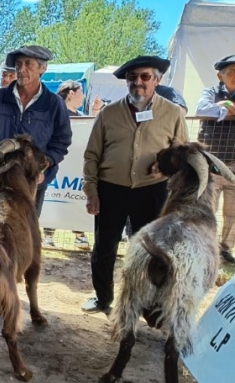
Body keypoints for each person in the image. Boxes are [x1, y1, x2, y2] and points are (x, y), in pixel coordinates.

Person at [80, 56, 188, 314]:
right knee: (104, 247)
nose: (137, 82)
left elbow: (181, 153)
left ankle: (147, 304)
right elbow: (92, 155)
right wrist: (91, 191)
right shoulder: (109, 113)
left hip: (152, 191)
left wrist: (165, 166)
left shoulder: (172, 113)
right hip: (110, 190)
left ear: (157, 80)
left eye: (145, 77)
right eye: (132, 77)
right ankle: (103, 298)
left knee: (150, 250)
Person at [0, 45, 72, 220]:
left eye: (28, 64)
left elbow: (61, 141)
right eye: (18, 64)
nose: (21, 69)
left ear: (42, 68)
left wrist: (44, 164)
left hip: (32, 183)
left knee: (22, 237)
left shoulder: (54, 103)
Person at [47, 80, 102, 251]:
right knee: (53, 199)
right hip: (56, 164)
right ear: (71, 93)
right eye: (81, 92)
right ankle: (47, 235)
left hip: (76, 166)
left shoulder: (80, 115)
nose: (83, 96)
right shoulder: (54, 112)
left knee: (74, 196)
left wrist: (94, 112)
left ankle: (79, 234)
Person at [197, 54, 235, 263]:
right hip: (211, 164)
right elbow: (201, 109)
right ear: (219, 75)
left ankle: (225, 249)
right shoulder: (209, 92)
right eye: (231, 72)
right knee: (207, 209)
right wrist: (227, 104)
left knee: (233, 212)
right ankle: (206, 246)